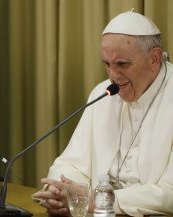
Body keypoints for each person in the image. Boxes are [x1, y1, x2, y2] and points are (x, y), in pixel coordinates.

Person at [32, 11, 173, 217]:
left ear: (154, 58)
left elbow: (169, 194)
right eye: (107, 64)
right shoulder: (102, 93)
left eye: (123, 64)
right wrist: (62, 193)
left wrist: (98, 200)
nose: (113, 76)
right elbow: (70, 164)